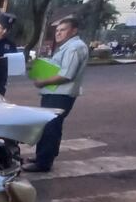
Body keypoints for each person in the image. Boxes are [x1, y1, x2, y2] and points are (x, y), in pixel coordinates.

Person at [23, 17, 89, 173]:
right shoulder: (69, 46)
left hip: (60, 95)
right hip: (56, 94)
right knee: (51, 126)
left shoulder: (74, 47)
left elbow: (66, 74)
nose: (58, 33)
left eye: (63, 30)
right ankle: (44, 156)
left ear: (74, 31)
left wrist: (42, 82)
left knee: (50, 128)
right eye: (57, 30)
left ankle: (43, 163)